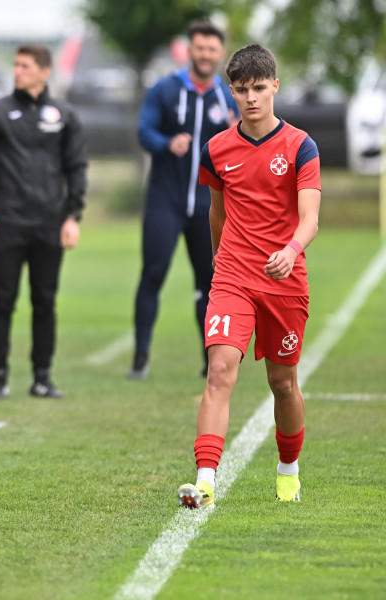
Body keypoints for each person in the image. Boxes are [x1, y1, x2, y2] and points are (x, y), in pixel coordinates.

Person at [177, 44, 321, 509]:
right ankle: (204, 480)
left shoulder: (301, 146)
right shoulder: (216, 150)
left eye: (259, 88)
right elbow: (216, 212)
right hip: (234, 278)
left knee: (283, 383)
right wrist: (219, 258)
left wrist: (291, 249)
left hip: (284, 281)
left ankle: (288, 470)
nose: (251, 98)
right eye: (242, 91)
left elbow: (311, 217)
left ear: (275, 86)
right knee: (219, 371)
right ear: (232, 92)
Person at [0, 44, 87, 400]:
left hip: (50, 224)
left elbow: (76, 168)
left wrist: (73, 216)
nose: (17, 70)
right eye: (16, 65)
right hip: (7, 223)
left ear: (44, 71)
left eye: (25, 65)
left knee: (45, 301)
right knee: (3, 299)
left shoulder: (64, 114)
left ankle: (42, 377)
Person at [129, 21, 239, 379]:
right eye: (199, 48)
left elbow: (246, 139)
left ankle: (209, 360)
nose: (205, 55)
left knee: (209, 281)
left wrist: (237, 130)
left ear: (220, 54)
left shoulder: (227, 96)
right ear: (189, 51)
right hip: (165, 200)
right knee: (153, 274)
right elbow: (144, 131)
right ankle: (141, 358)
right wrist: (166, 143)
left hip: (207, 207)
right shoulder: (165, 90)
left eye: (211, 49)